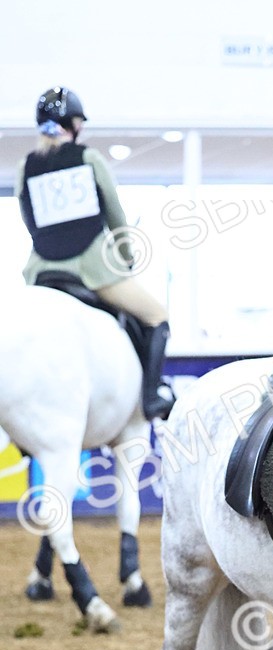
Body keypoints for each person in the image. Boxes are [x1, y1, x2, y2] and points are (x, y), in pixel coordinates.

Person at [15, 86, 174, 421]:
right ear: (72, 124)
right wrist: (126, 257)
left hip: (41, 272)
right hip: (92, 268)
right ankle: (151, 398)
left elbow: (29, 219)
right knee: (158, 316)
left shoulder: (25, 166)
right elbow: (115, 215)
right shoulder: (88, 158)